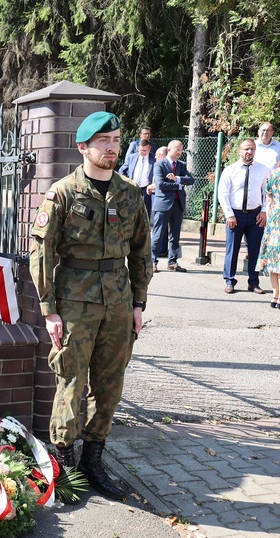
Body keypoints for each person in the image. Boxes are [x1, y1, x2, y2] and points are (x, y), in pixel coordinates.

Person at [29, 111, 152, 501]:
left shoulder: (130, 193)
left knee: (110, 382)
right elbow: (42, 252)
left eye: (116, 139)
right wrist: (49, 309)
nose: (112, 147)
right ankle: (63, 463)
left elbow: (141, 251)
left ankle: (93, 461)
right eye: (104, 141)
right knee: (71, 380)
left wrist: (138, 303)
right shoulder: (63, 192)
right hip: (74, 303)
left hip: (118, 301)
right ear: (84, 147)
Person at [217, 139, 270, 294]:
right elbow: (223, 193)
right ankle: (230, 280)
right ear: (240, 151)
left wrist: (264, 211)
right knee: (232, 249)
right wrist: (229, 215)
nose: (249, 152)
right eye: (246, 149)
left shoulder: (262, 169)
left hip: (256, 215)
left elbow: (267, 192)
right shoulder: (230, 170)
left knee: (255, 250)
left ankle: (253, 282)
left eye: (252, 149)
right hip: (236, 215)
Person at [151, 140, 194, 273]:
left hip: (178, 204)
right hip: (163, 204)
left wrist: (177, 179)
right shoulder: (159, 164)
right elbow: (161, 184)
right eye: (177, 150)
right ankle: (152, 261)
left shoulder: (181, 165)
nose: (180, 153)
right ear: (169, 150)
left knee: (175, 236)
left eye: (181, 150)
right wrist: (179, 185)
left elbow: (191, 180)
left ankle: (173, 262)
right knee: (158, 234)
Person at [255, 149, 280, 307]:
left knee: (273, 257)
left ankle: (275, 296)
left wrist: (269, 219)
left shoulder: (273, 174)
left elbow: (268, 199)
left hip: (274, 218)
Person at [119, 139, 156, 216]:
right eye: (141, 150)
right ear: (138, 149)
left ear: (149, 149)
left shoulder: (154, 159)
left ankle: (145, 227)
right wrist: (126, 182)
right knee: (131, 211)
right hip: (133, 187)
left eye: (145, 150)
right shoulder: (132, 157)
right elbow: (122, 170)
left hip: (146, 189)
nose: (143, 152)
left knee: (145, 212)